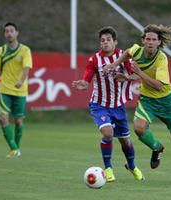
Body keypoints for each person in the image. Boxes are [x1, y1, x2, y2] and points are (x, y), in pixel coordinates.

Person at [103, 24, 171, 182]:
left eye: (153, 39)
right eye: (147, 39)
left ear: (159, 42)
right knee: (138, 128)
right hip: (147, 100)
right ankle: (157, 147)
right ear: (143, 41)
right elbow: (128, 52)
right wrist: (114, 65)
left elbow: (158, 85)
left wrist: (138, 73)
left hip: (167, 102)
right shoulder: (137, 50)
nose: (150, 42)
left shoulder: (161, 59)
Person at [72, 26, 144, 182]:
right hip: (99, 105)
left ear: (115, 42)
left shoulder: (123, 57)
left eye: (108, 39)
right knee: (108, 133)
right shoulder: (94, 60)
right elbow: (87, 80)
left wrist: (125, 77)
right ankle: (108, 169)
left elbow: (135, 76)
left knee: (125, 140)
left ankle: (131, 165)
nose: (105, 42)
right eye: (102, 40)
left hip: (118, 106)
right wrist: (83, 84)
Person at [0, 22, 32, 158]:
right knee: (2, 118)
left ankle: (16, 148)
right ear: (4, 34)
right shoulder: (0, 51)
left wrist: (21, 80)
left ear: (17, 33)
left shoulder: (25, 50)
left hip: (20, 91)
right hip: (5, 89)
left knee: (18, 121)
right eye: (7, 31)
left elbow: (26, 68)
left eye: (12, 31)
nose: (9, 33)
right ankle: (13, 148)